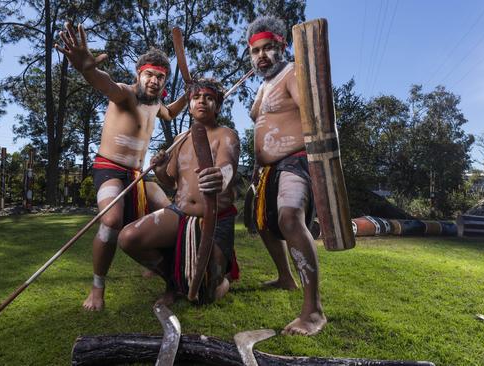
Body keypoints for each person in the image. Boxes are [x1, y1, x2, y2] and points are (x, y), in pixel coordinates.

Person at [55, 23, 188, 311]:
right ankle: (97, 289)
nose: (154, 81)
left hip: (139, 176)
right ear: (138, 75)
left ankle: (162, 266)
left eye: (161, 77)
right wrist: (87, 69)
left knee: (170, 212)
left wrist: (191, 95)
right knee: (112, 220)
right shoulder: (125, 94)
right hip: (110, 169)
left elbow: (172, 111)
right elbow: (103, 82)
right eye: (150, 75)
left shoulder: (156, 106)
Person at [118, 78, 240, 305]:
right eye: (196, 97)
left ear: (218, 106)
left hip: (215, 217)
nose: (202, 101)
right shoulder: (179, 139)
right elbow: (170, 182)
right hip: (179, 213)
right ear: (190, 104)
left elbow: (228, 167)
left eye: (209, 98)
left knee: (204, 295)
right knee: (128, 237)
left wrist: (219, 177)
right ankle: (173, 282)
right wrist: (161, 167)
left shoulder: (226, 135)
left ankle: (222, 279)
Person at [247, 16, 327, 335]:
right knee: (262, 223)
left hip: (295, 160)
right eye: (255, 51)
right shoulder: (265, 84)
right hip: (267, 169)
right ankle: (285, 277)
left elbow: (315, 113)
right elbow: (259, 117)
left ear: (282, 47)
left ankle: (313, 312)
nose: (262, 56)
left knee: (290, 219)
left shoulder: (293, 73)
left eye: (268, 48)